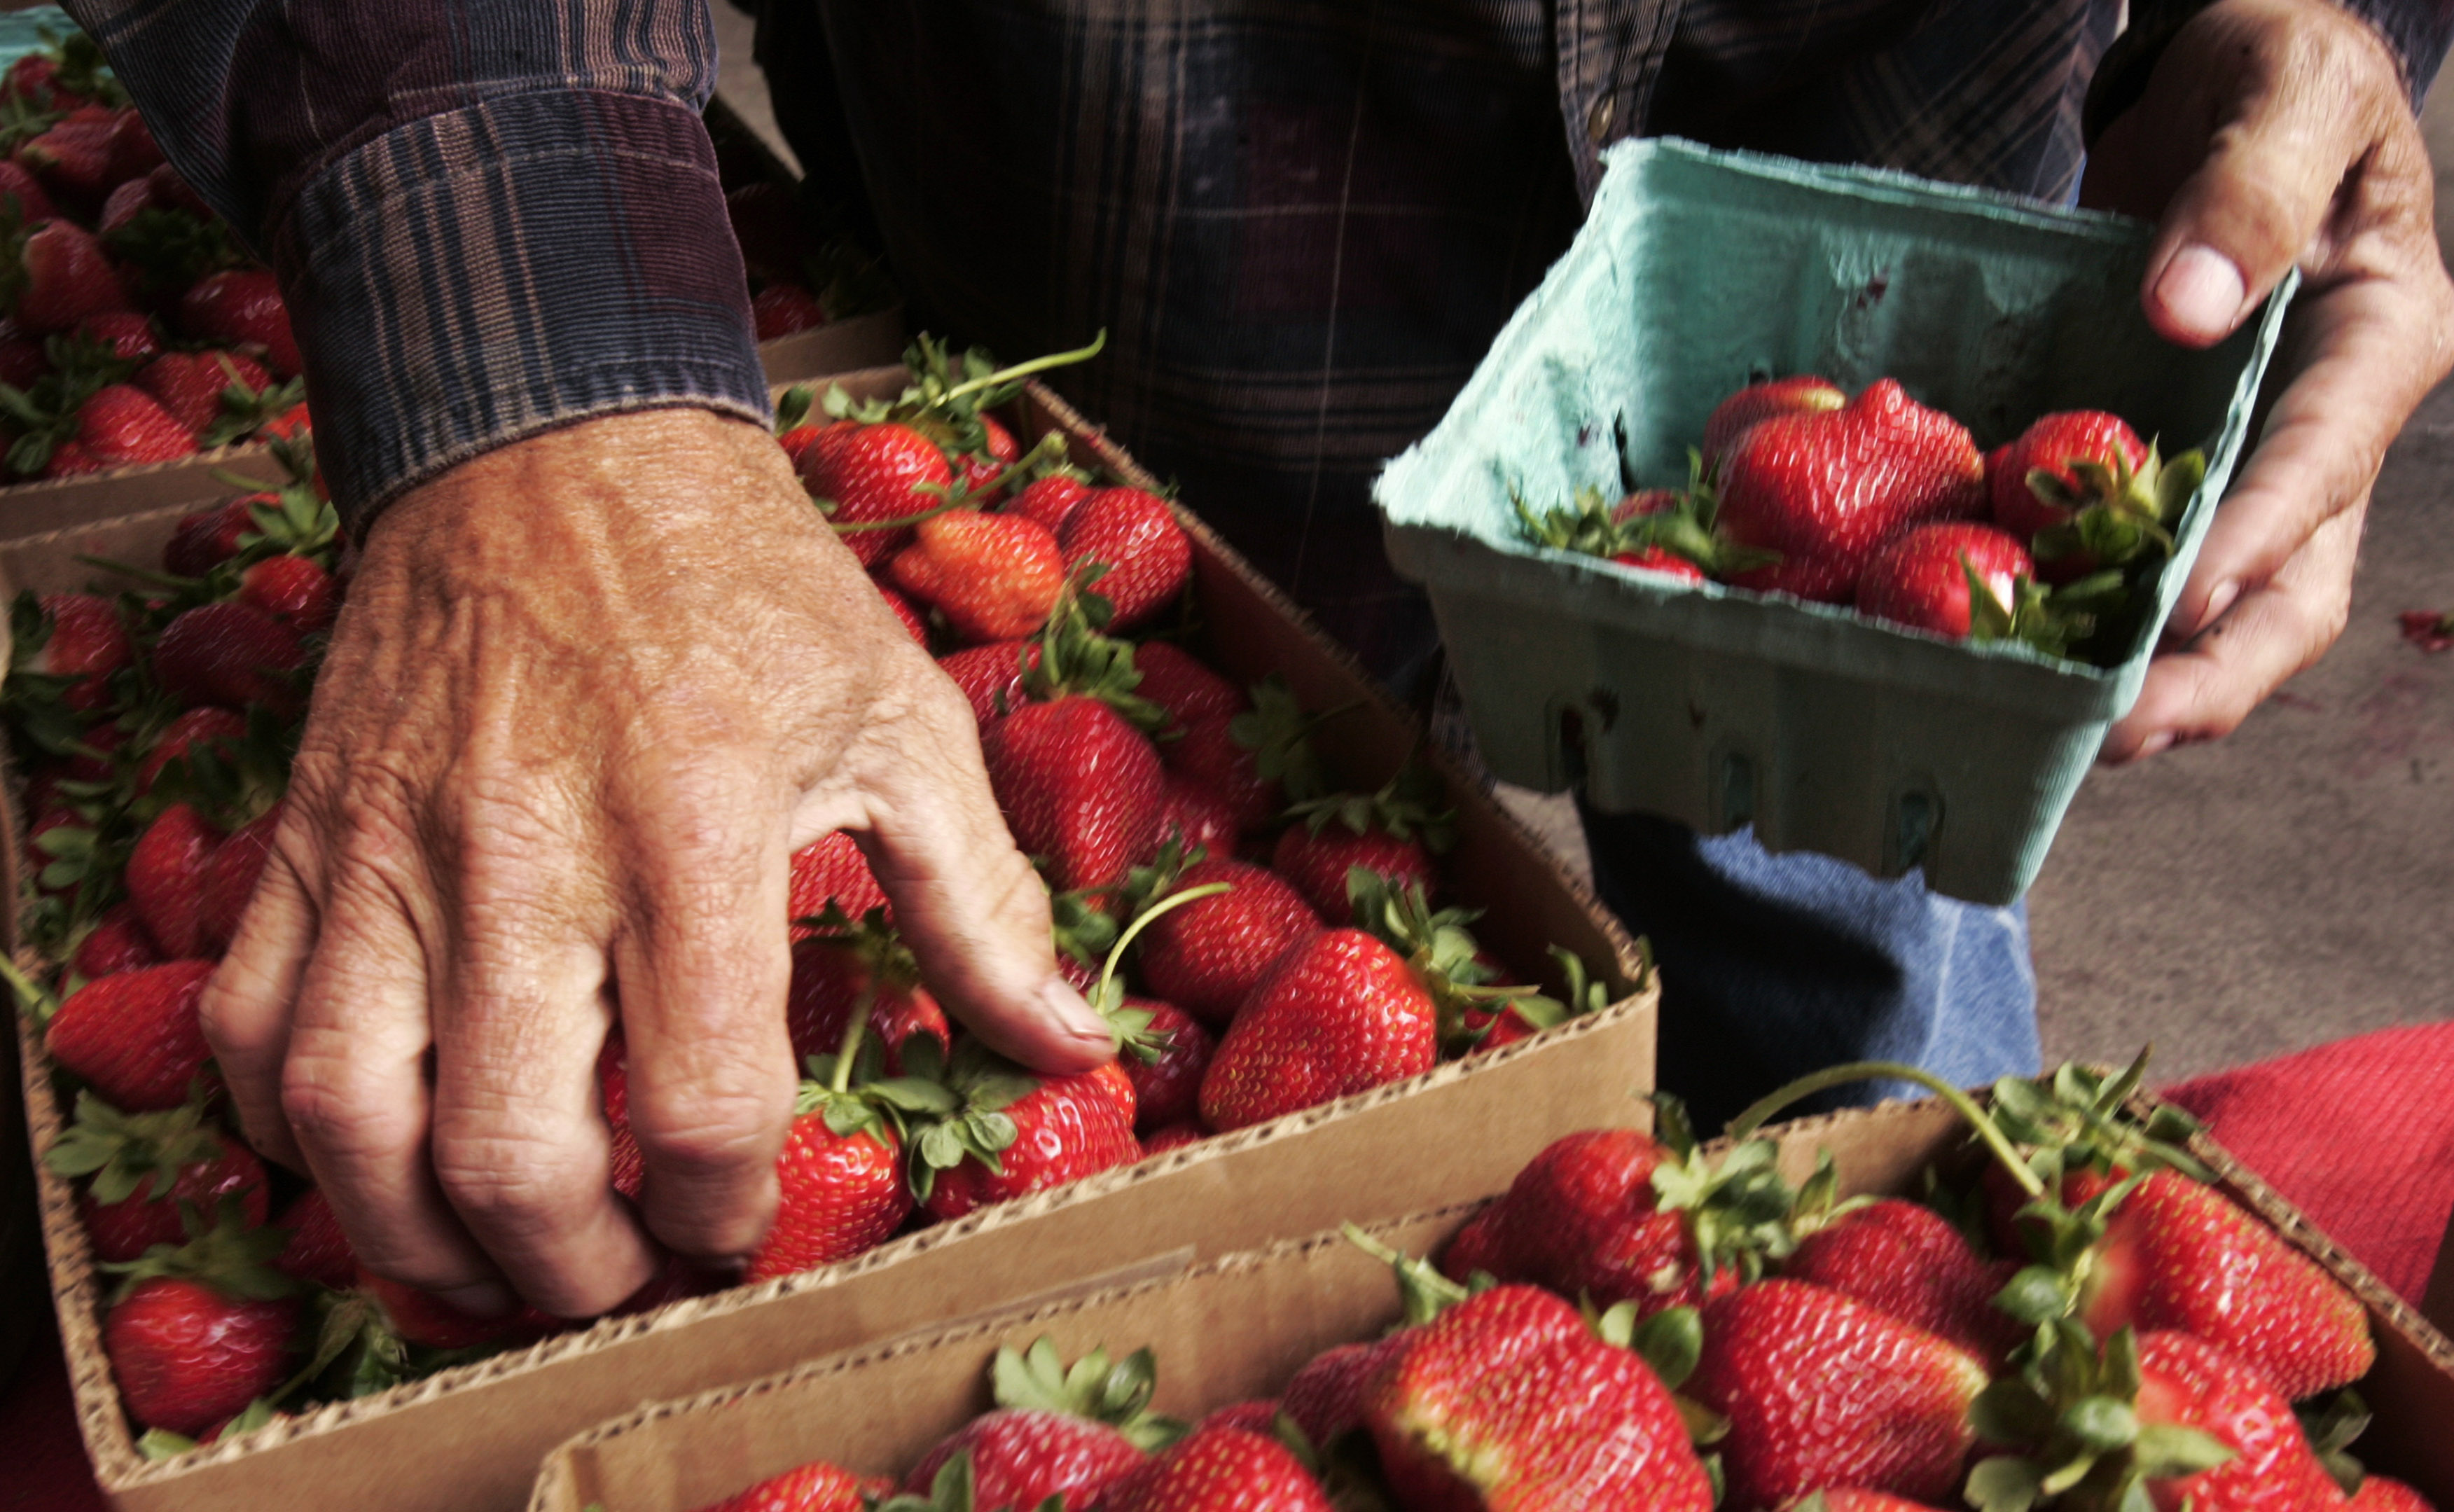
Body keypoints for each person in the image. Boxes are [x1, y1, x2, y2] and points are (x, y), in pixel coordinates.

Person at [63, 0, 2453, 1322]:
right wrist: (536, 363)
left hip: (1888, 285)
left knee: (1864, 997)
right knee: (1216, 795)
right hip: (1125, 246)